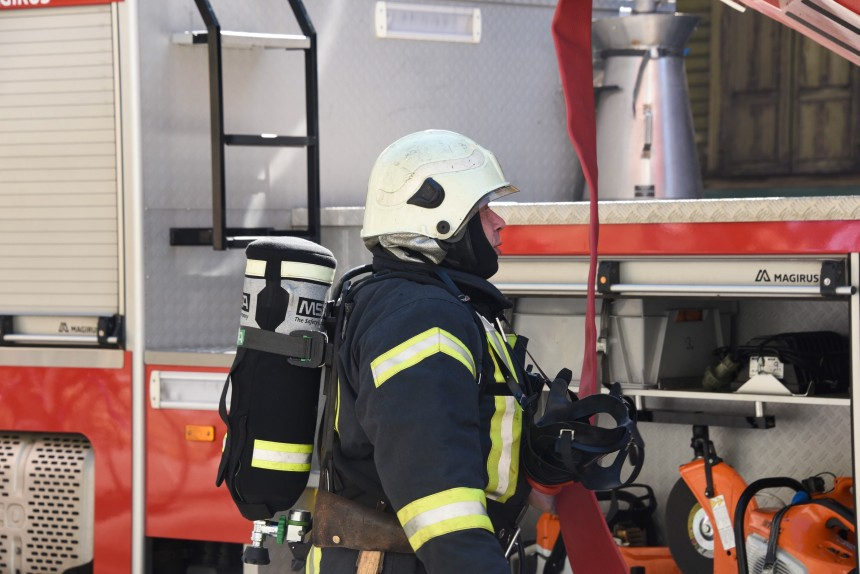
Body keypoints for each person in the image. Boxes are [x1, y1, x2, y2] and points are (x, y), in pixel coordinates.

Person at [308, 129, 548, 573]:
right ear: (439, 220)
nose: (499, 222)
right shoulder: (422, 319)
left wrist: (543, 455)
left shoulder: (425, 303)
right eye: (482, 210)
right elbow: (437, 495)